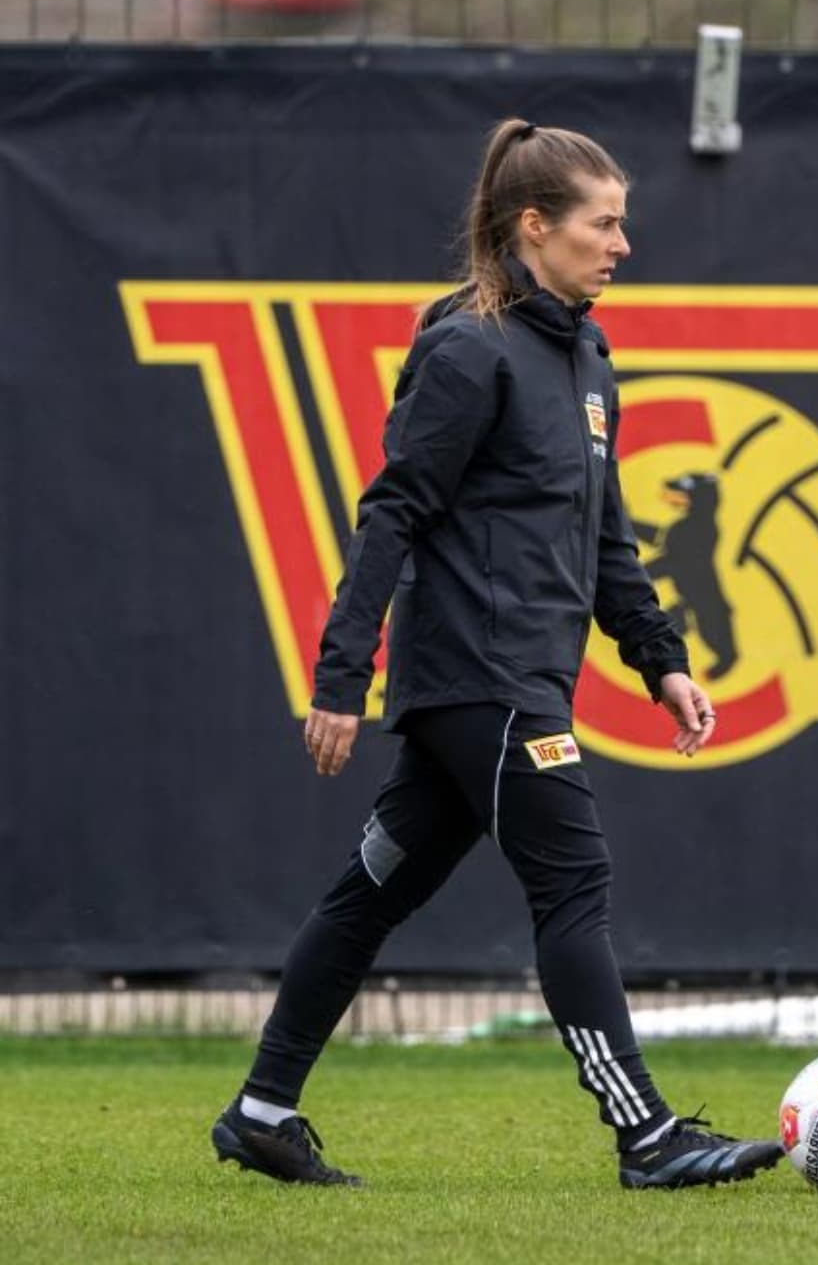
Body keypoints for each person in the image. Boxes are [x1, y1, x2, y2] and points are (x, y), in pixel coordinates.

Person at [209, 119, 783, 1191]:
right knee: (575, 884)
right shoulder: (469, 350)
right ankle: (648, 1137)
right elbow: (393, 514)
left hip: (496, 690)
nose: (621, 244)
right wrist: (343, 677)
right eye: (602, 224)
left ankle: (261, 1112)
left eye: (622, 224)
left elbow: (605, 535)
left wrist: (660, 660)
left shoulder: (589, 356)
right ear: (535, 226)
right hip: (488, 682)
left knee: (366, 897)